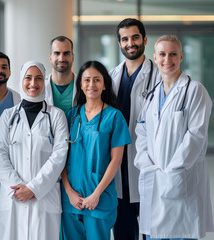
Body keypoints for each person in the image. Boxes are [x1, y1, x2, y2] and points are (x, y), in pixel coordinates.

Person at [134, 35, 214, 240]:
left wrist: (173, 171)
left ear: (181, 57)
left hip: (181, 179)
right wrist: (145, 162)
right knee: (155, 234)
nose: (167, 59)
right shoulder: (151, 95)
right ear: (155, 57)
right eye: (162, 54)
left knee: (181, 234)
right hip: (154, 176)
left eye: (172, 54)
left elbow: (195, 136)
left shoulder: (194, 90)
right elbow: (141, 130)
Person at [0, 61, 68, 240]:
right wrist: (18, 188)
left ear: (44, 81)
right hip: (14, 197)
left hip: (44, 197)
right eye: (28, 78)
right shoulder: (8, 116)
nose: (33, 83)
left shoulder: (56, 116)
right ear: (21, 80)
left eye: (38, 78)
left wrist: (33, 188)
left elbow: (59, 156)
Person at [61, 61, 131, 240]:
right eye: (87, 80)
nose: (91, 84)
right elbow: (60, 156)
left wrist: (96, 194)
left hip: (98, 199)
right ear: (81, 85)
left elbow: (116, 161)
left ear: (105, 84)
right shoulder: (71, 115)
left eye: (97, 80)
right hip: (72, 199)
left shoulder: (114, 116)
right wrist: (69, 191)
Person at [110, 18, 160, 240]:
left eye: (135, 37)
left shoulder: (159, 76)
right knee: (123, 233)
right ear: (119, 44)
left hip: (149, 165)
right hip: (118, 168)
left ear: (145, 40)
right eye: (125, 39)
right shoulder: (111, 77)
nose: (130, 43)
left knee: (154, 231)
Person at [45, 36, 76, 114]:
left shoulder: (84, 85)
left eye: (66, 53)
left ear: (72, 57)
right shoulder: (41, 86)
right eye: (57, 53)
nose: (61, 58)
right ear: (50, 57)